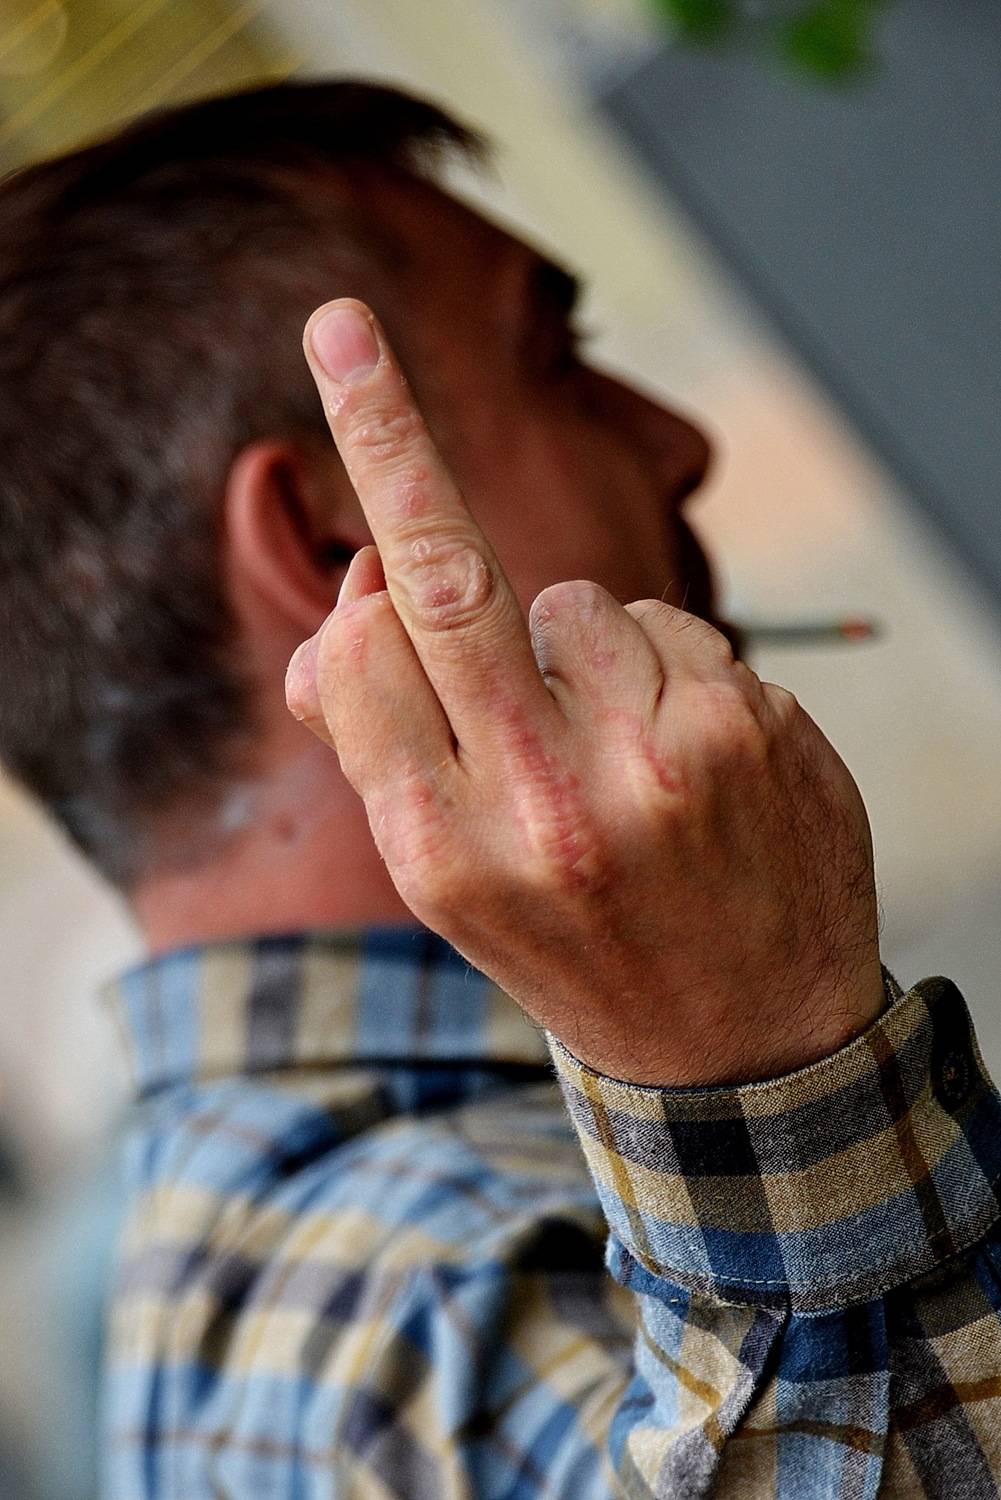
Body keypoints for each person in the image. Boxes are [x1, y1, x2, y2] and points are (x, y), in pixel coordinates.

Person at [0, 79, 998, 1499]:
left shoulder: (266, 1247)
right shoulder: (442, 1303)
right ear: (339, 543)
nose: (681, 439)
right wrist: (760, 1063)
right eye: (558, 360)